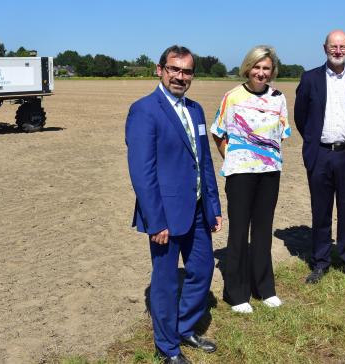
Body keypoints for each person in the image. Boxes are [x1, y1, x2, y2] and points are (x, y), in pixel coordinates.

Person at [125, 45, 223, 364]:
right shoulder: (144, 110)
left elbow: (204, 161)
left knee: (203, 268)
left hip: (196, 211)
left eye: (187, 71)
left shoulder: (195, 110)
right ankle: (167, 348)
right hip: (165, 215)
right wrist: (156, 221)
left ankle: (183, 328)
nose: (180, 76)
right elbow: (143, 172)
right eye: (174, 69)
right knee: (165, 283)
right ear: (160, 70)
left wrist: (213, 205)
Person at [210, 45, 291, 314]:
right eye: (256, 67)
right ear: (248, 67)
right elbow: (218, 132)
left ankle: (264, 288)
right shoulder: (232, 97)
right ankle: (237, 293)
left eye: (266, 68)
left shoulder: (279, 98)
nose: (261, 72)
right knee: (239, 232)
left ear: (272, 71)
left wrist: (265, 158)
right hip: (240, 174)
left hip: (269, 173)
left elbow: (280, 135)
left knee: (262, 231)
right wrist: (232, 158)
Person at [294, 30, 345, 286]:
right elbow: (301, 116)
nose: (337, 51)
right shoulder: (309, 79)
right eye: (333, 46)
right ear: (324, 48)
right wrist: (313, 143)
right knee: (321, 212)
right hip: (320, 155)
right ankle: (321, 262)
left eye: (342, 46)